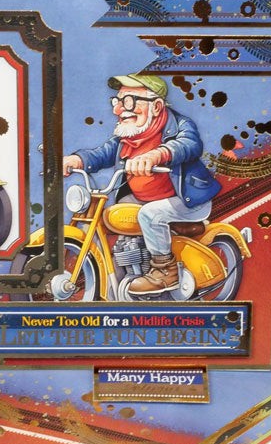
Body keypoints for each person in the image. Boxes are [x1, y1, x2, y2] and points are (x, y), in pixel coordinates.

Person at [63, 74, 220, 294]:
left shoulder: (180, 125)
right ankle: (117, 270)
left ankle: (166, 272)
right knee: (111, 216)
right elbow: (104, 153)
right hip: (143, 198)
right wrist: (78, 159)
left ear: (156, 106)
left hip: (186, 200)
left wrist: (158, 154)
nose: (118, 110)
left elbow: (189, 144)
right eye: (117, 101)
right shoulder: (129, 136)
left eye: (129, 101)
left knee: (149, 214)